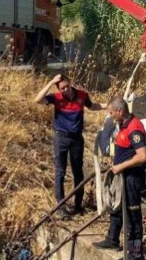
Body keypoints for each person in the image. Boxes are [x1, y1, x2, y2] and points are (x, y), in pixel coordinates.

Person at [35, 73, 106, 219]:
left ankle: (78, 205)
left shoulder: (82, 95)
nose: (65, 90)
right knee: (60, 172)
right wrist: (50, 82)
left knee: (78, 172)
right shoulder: (56, 98)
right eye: (62, 88)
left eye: (67, 86)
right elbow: (38, 100)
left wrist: (108, 106)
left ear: (70, 83)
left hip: (76, 139)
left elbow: (92, 106)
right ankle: (61, 207)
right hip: (61, 138)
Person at [93, 97, 146, 260]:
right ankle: (112, 239)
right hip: (121, 175)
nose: (110, 116)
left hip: (131, 177)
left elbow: (143, 156)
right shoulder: (123, 125)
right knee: (116, 208)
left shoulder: (134, 128)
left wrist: (121, 166)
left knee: (132, 215)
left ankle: (136, 252)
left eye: (112, 113)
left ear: (120, 111)